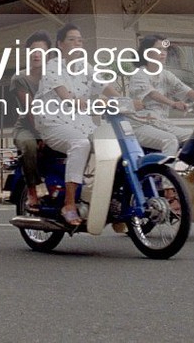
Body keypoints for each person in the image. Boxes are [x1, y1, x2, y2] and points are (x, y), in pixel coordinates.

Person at [34, 23, 118, 227]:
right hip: (53, 122)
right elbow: (66, 95)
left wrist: (125, 102)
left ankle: (113, 200)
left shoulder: (85, 67)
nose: (77, 43)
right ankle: (69, 204)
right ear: (60, 44)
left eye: (79, 40)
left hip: (80, 122)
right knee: (81, 144)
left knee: (114, 145)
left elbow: (106, 87)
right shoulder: (53, 66)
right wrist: (83, 102)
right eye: (71, 39)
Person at [128, 35, 194, 153]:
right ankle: (164, 171)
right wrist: (173, 104)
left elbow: (189, 92)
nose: (163, 53)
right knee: (170, 140)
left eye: (165, 50)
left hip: (161, 124)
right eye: (158, 49)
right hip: (140, 125)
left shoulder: (166, 75)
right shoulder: (139, 75)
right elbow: (153, 94)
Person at [9, 31, 52, 212]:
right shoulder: (20, 79)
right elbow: (31, 110)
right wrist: (42, 135)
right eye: (33, 51)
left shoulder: (54, 78)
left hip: (53, 125)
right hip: (27, 127)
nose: (36, 54)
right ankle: (33, 192)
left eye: (41, 51)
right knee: (30, 145)